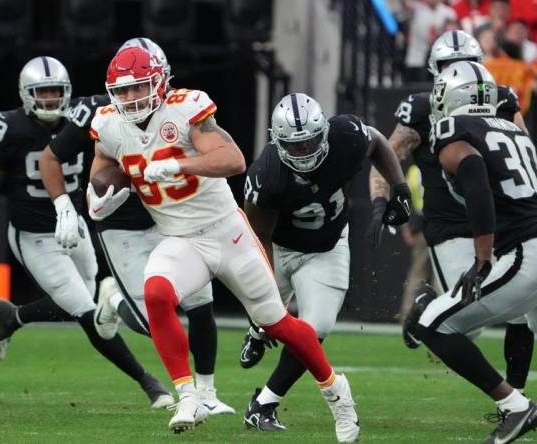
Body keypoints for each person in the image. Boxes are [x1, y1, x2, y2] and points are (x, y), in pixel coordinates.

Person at [87, 45, 360, 439]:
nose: (130, 99)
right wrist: (95, 202)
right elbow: (101, 164)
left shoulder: (186, 109)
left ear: (161, 82)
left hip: (227, 231)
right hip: (180, 239)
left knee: (277, 323)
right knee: (157, 292)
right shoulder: (109, 124)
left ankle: (337, 392)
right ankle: (188, 396)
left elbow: (232, 160)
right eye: (123, 91)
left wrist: (180, 163)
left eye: (139, 88)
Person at [38, 37, 234, 415]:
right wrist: (64, 205)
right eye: (130, 86)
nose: (139, 94)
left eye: (147, 83)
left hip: (170, 218)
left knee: (201, 303)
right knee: (152, 322)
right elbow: (52, 157)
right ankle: (112, 297)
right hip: (121, 222)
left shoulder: (180, 109)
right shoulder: (103, 113)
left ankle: (207, 394)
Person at [0, 56, 173, 409]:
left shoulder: (87, 113)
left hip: (74, 224)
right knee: (85, 309)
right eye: (42, 92)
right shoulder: (9, 128)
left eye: (56, 92)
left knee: (88, 302)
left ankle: (12, 317)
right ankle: (149, 383)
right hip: (33, 235)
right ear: (25, 93)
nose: (50, 100)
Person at [412, 60, 537, 443]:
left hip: (526, 255)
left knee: (433, 323)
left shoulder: (453, 130)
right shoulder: (513, 131)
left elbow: (473, 172)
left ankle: (515, 407)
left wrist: (482, 257)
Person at [238, 93, 410, 433]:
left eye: (311, 142)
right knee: (268, 311)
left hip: (326, 247)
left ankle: (264, 404)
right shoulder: (267, 174)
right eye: (294, 146)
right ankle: (257, 330)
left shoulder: (344, 135)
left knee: (314, 329)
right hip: (280, 249)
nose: (304, 152)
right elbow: (259, 241)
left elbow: (376, 141)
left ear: (324, 133)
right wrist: (267, 298)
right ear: (278, 142)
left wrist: (400, 188)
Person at [378, 30, 537, 393]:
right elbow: (385, 155)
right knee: (467, 321)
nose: (457, 73)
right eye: (449, 66)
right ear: (436, 70)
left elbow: (525, 151)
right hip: (449, 225)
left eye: (464, 65)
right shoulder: (420, 108)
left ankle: (517, 393)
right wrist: (384, 198)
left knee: (521, 309)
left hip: (496, 220)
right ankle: (427, 305)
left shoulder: (501, 100)